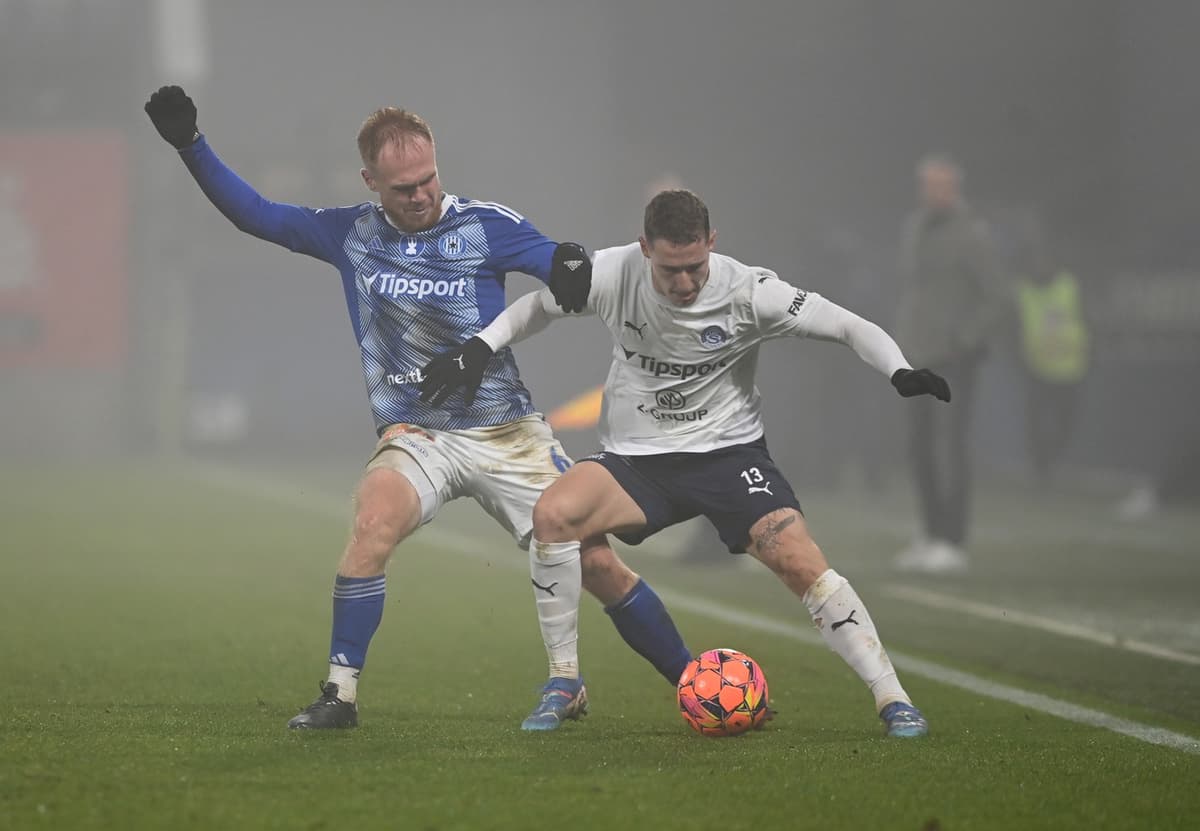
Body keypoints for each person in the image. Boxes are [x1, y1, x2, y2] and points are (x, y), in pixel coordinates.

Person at [143, 85, 693, 732]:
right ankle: (339, 696)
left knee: (595, 561)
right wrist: (191, 145)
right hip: (417, 435)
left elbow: (555, 263)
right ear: (370, 181)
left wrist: (569, 264)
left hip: (505, 431)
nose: (422, 194)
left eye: (428, 178)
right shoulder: (348, 232)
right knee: (373, 520)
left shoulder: (486, 224)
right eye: (403, 187)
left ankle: (696, 681)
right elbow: (255, 214)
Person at [421, 189, 951, 738]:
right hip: (637, 461)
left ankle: (893, 698)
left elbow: (846, 325)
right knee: (554, 515)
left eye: (695, 266)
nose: (684, 282)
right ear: (644, 247)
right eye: (670, 269)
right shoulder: (611, 272)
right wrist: (481, 347)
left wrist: (899, 370)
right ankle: (565, 681)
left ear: (712, 244)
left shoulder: (751, 291)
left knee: (798, 559)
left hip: (728, 456)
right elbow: (537, 307)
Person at [893, 154, 1006, 573]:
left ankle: (952, 538)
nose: (929, 192)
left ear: (954, 188)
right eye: (925, 184)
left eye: (938, 185)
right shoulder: (916, 227)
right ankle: (930, 531)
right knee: (919, 446)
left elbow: (996, 296)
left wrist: (965, 340)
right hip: (917, 355)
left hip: (953, 359)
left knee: (951, 448)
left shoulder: (972, 234)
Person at [1014, 252, 1089, 481]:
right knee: (1035, 422)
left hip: (1070, 367)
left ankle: (1053, 462)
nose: (1040, 266)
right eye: (1036, 261)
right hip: (1036, 367)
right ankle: (1039, 467)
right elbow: (1014, 326)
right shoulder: (1022, 291)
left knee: (1064, 422)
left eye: (1045, 261)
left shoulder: (1069, 286)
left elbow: (1087, 320)